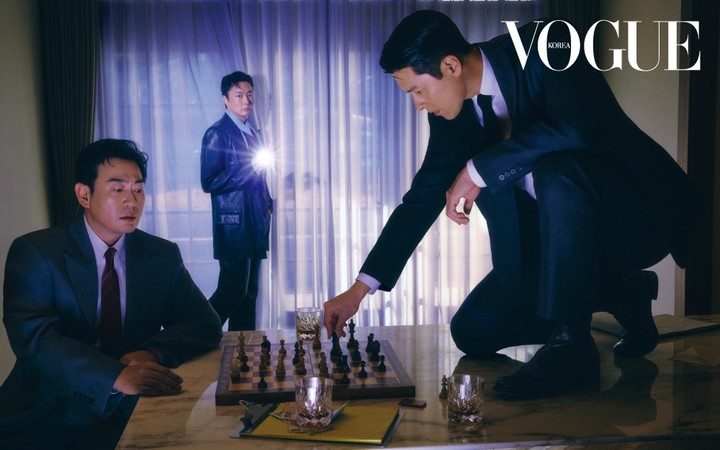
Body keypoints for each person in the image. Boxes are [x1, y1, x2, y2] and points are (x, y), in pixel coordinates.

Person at [323, 11, 706, 398]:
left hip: (631, 218)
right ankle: (620, 292)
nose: (418, 104)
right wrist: (359, 290)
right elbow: (423, 196)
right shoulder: (452, 115)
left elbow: (574, 128)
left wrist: (477, 170)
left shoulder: (548, 41)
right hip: (553, 252)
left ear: (451, 66)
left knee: (555, 168)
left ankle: (572, 348)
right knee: (473, 331)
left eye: (418, 91)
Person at [0, 139, 223, 449]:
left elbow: (204, 323)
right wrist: (113, 376)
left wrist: (151, 353)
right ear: (84, 194)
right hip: (48, 407)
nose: (131, 201)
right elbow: (33, 338)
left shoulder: (161, 255)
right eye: (118, 189)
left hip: (134, 407)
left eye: (138, 190)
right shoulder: (37, 252)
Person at [201, 71, 273, 331]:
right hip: (233, 226)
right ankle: (197, 334)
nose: (246, 100)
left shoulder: (253, 132)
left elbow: (260, 175)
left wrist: (267, 204)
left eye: (250, 94)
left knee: (249, 294)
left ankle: (244, 347)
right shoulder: (216, 133)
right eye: (239, 95)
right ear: (225, 99)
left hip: (255, 222)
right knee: (232, 290)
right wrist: (247, 170)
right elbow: (209, 182)